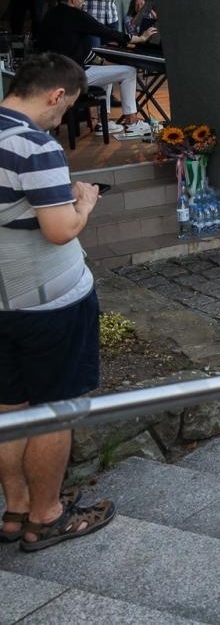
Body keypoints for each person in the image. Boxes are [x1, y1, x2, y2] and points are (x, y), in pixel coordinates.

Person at [0, 53, 117, 551]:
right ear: (55, 95)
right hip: (50, 303)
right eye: (66, 107)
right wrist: (83, 203)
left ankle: (16, 509)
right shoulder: (34, 145)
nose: (62, 117)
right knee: (56, 408)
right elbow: (59, 230)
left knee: (9, 407)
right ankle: (46, 516)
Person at [34, 0, 157, 138]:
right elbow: (106, 32)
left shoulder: (49, 16)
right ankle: (132, 123)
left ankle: (103, 123)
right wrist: (140, 38)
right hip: (73, 77)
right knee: (129, 72)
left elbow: (68, 48)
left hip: (52, 77)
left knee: (108, 73)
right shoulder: (76, 15)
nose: (83, 2)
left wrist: (106, 62)